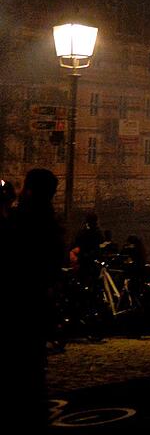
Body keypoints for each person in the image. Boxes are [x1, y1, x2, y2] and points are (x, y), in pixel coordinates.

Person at [1, 170, 65, 429]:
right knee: (33, 365)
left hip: (19, 302)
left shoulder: (23, 220)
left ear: (29, 190)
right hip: (37, 303)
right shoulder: (50, 222)